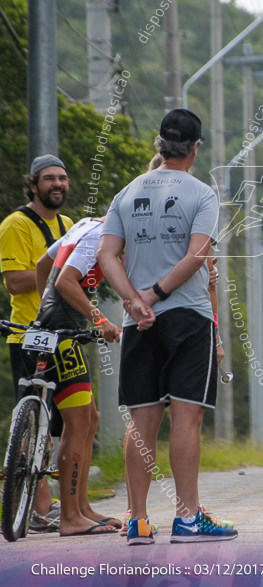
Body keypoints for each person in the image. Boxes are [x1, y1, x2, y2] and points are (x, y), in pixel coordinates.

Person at [97, 109, 236, 545]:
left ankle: (137, 521)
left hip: (139, 323)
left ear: (160, 144)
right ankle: (188, 517)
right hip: (188, 315)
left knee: (142, 421)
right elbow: (197, 256)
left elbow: (106, 256)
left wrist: (134, 301)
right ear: (196, 148)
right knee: (186, 419)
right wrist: (154, 295)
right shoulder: (203, 194)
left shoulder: (126, 192)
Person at [34, 216, 122, 536]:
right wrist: (100, 320)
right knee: (78, 422)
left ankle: (82, 507)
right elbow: (64, 281)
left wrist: (42, 307)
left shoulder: (85, 224)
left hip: (49, 326)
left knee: (90, 417)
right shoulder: (101, 234)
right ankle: (70, 517)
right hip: (62, 334)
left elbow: (43, 263)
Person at [0, 154, 73, 532]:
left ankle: (68, 504)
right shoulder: (16, 224)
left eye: (62, 178)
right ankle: (41, 508)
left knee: (72, 421)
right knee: (34, 423)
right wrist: (58, 276)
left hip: (64, 334)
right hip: (29, 334)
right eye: (49, 179)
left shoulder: (68, 224)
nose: (57, 184)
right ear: (33, 184)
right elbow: (14, 281)